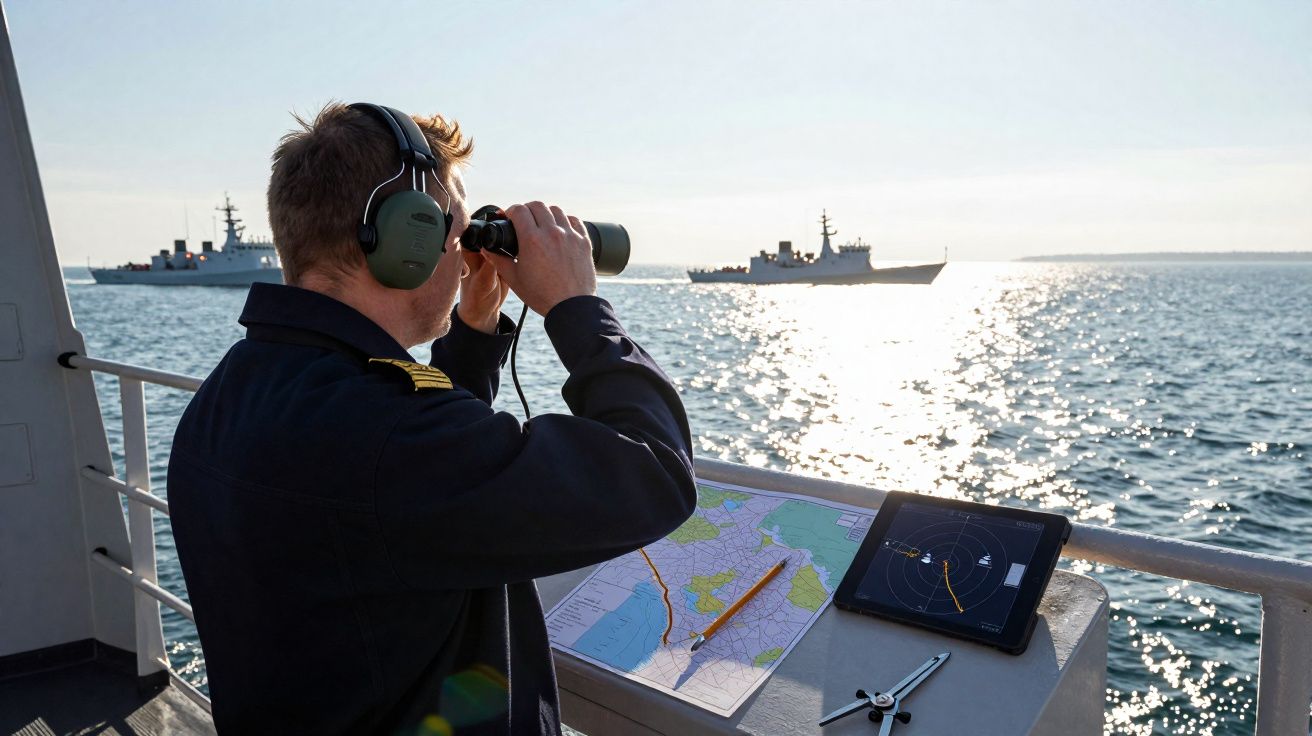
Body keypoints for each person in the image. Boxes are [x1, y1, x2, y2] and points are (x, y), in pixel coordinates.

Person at [166, 103, 696, 735]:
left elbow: (417, 491)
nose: (463, 252)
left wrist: (472, 329)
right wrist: (577, 307)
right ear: (406, 241)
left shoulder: (233, 393)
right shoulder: (389, 439)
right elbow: (656, 475)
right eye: (457, 232)